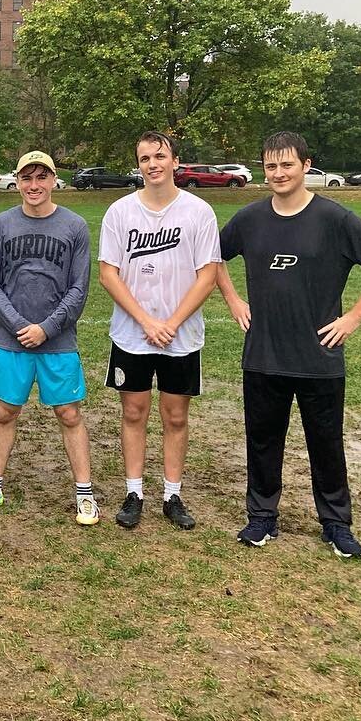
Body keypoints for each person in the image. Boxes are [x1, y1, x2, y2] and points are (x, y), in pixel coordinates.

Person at [216, 131, 361, 559]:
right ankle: (262, 516)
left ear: (306, 166)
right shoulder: (249, 220)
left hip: (318, 358)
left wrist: (354, 316)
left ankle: (336, 523)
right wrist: (232, 298)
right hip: (264, 355)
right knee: (263, 440)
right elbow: (209, 256)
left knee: (326, 443)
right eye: (270, 166)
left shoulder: (334, 219)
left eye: (287, 165)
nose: (278, 173)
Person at [98, 131, 221, 530]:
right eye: (144, 158)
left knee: (175, 415)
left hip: (180, 335)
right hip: (133, 334)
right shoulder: (120, 212)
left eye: (159, 156)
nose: (152, 164)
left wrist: (170, 323)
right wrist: (147, 321)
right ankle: (133, 491)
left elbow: (208, 275)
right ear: (138, 165)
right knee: (133, 410)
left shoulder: (198, 212)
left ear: (174, 161)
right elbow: (108, 274)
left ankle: (172, 494)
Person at [0, 152, 94, 521]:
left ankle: (85, 494)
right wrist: (17, 324)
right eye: (27, 178)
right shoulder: (2, 225)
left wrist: (47, 327)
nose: (34, 185)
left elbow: (79, 287)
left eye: (41, 177)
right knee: (6, 411)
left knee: (69, 413)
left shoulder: (74, 226)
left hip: (58, 340)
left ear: (54, 180)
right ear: (17, 182)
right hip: (14, 340)